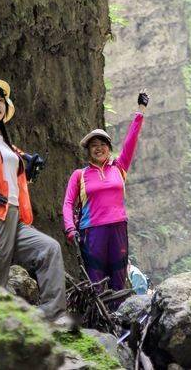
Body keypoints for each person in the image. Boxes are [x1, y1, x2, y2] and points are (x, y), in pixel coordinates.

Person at [0, 79, 70, 323]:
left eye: (1, 101)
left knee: (49, 249)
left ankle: (52, 315)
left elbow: (7, 177)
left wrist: (26, 170)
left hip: (13, 218)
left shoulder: (5, 143)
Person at [62, 91, 148, 292]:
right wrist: (69, 229)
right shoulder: (79, 175)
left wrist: (140, 111)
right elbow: (67, 203)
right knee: (96, 281)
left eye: (102, 144)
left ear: (109, 148)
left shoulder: (119, 168)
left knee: (118, 278)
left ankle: (118, 318)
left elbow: (131, 141)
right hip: (92, 233)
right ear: (88, 150)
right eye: (94, 145)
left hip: (118, 229)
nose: (98, 148)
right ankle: (98, 321)